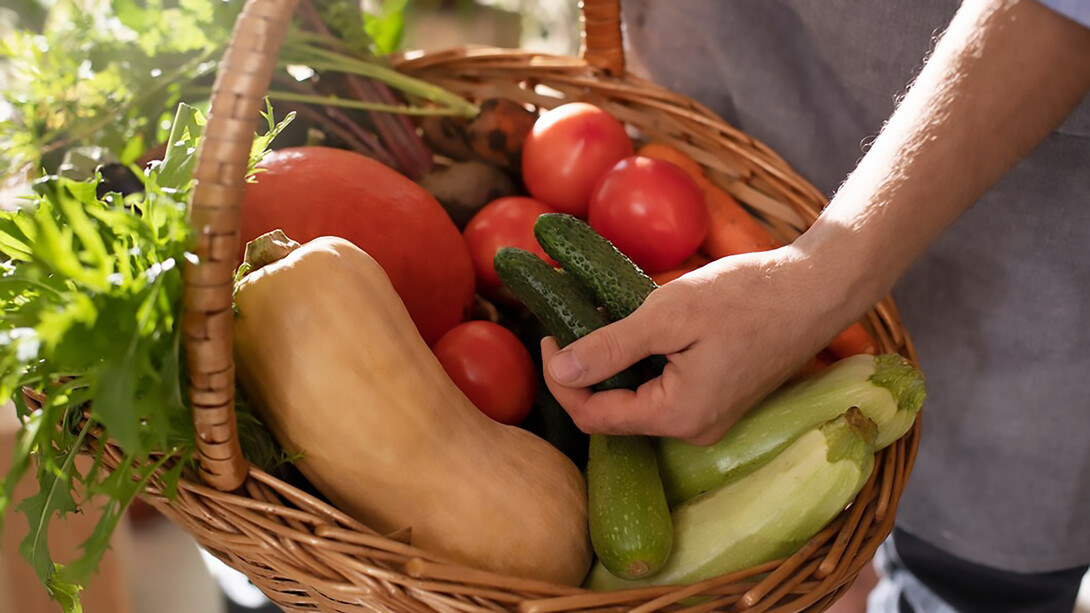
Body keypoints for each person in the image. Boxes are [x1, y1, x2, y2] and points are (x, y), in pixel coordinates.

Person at [541, 1, 1090, 611]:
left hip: (1015, 171)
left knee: (972, 573)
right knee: (825, 548)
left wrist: (809, 284)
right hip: (739, 95)